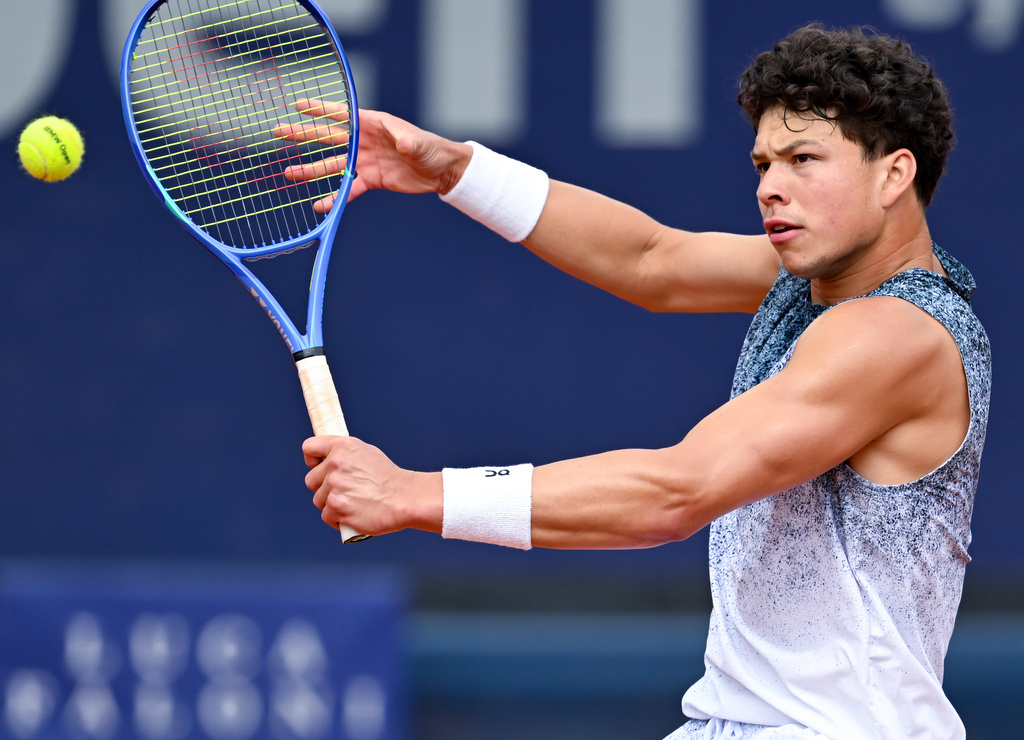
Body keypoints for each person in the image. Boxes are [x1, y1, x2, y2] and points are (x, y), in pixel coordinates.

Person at [283, 24, 991, 740]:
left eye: (803, 159)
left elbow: (674, 493)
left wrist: (410, 494)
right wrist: (454, 170)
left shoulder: (891, 334)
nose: (771, 188)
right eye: (763, 164)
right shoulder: (819, 281)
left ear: (894, 175)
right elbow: (653, 261)